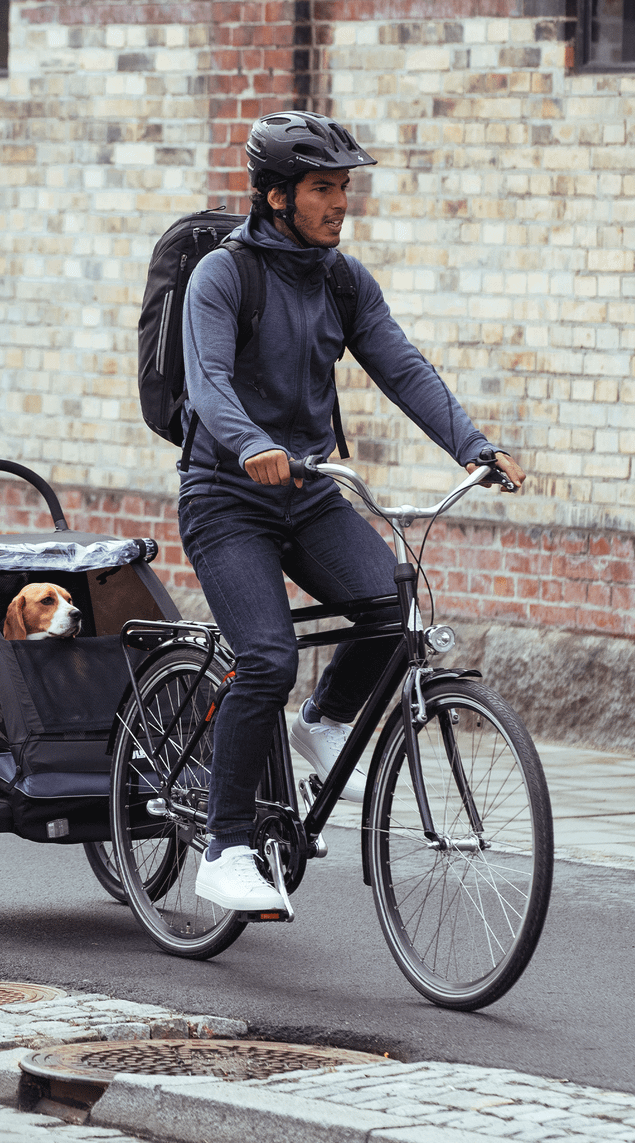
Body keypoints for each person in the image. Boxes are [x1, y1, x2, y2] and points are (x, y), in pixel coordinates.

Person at [179, 109, 525, 912]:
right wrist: (246, 443)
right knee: (264, 656)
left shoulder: (341, 278)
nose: (340, 203)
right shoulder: (222, 277)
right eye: (323, 189)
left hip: (306, 492)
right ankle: (226, 847)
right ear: (275, 197)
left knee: (390, 605)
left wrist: (473, 446)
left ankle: (325, 721)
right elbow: (208, 383)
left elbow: (401, 364)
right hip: (228, 495)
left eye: (344, 188)